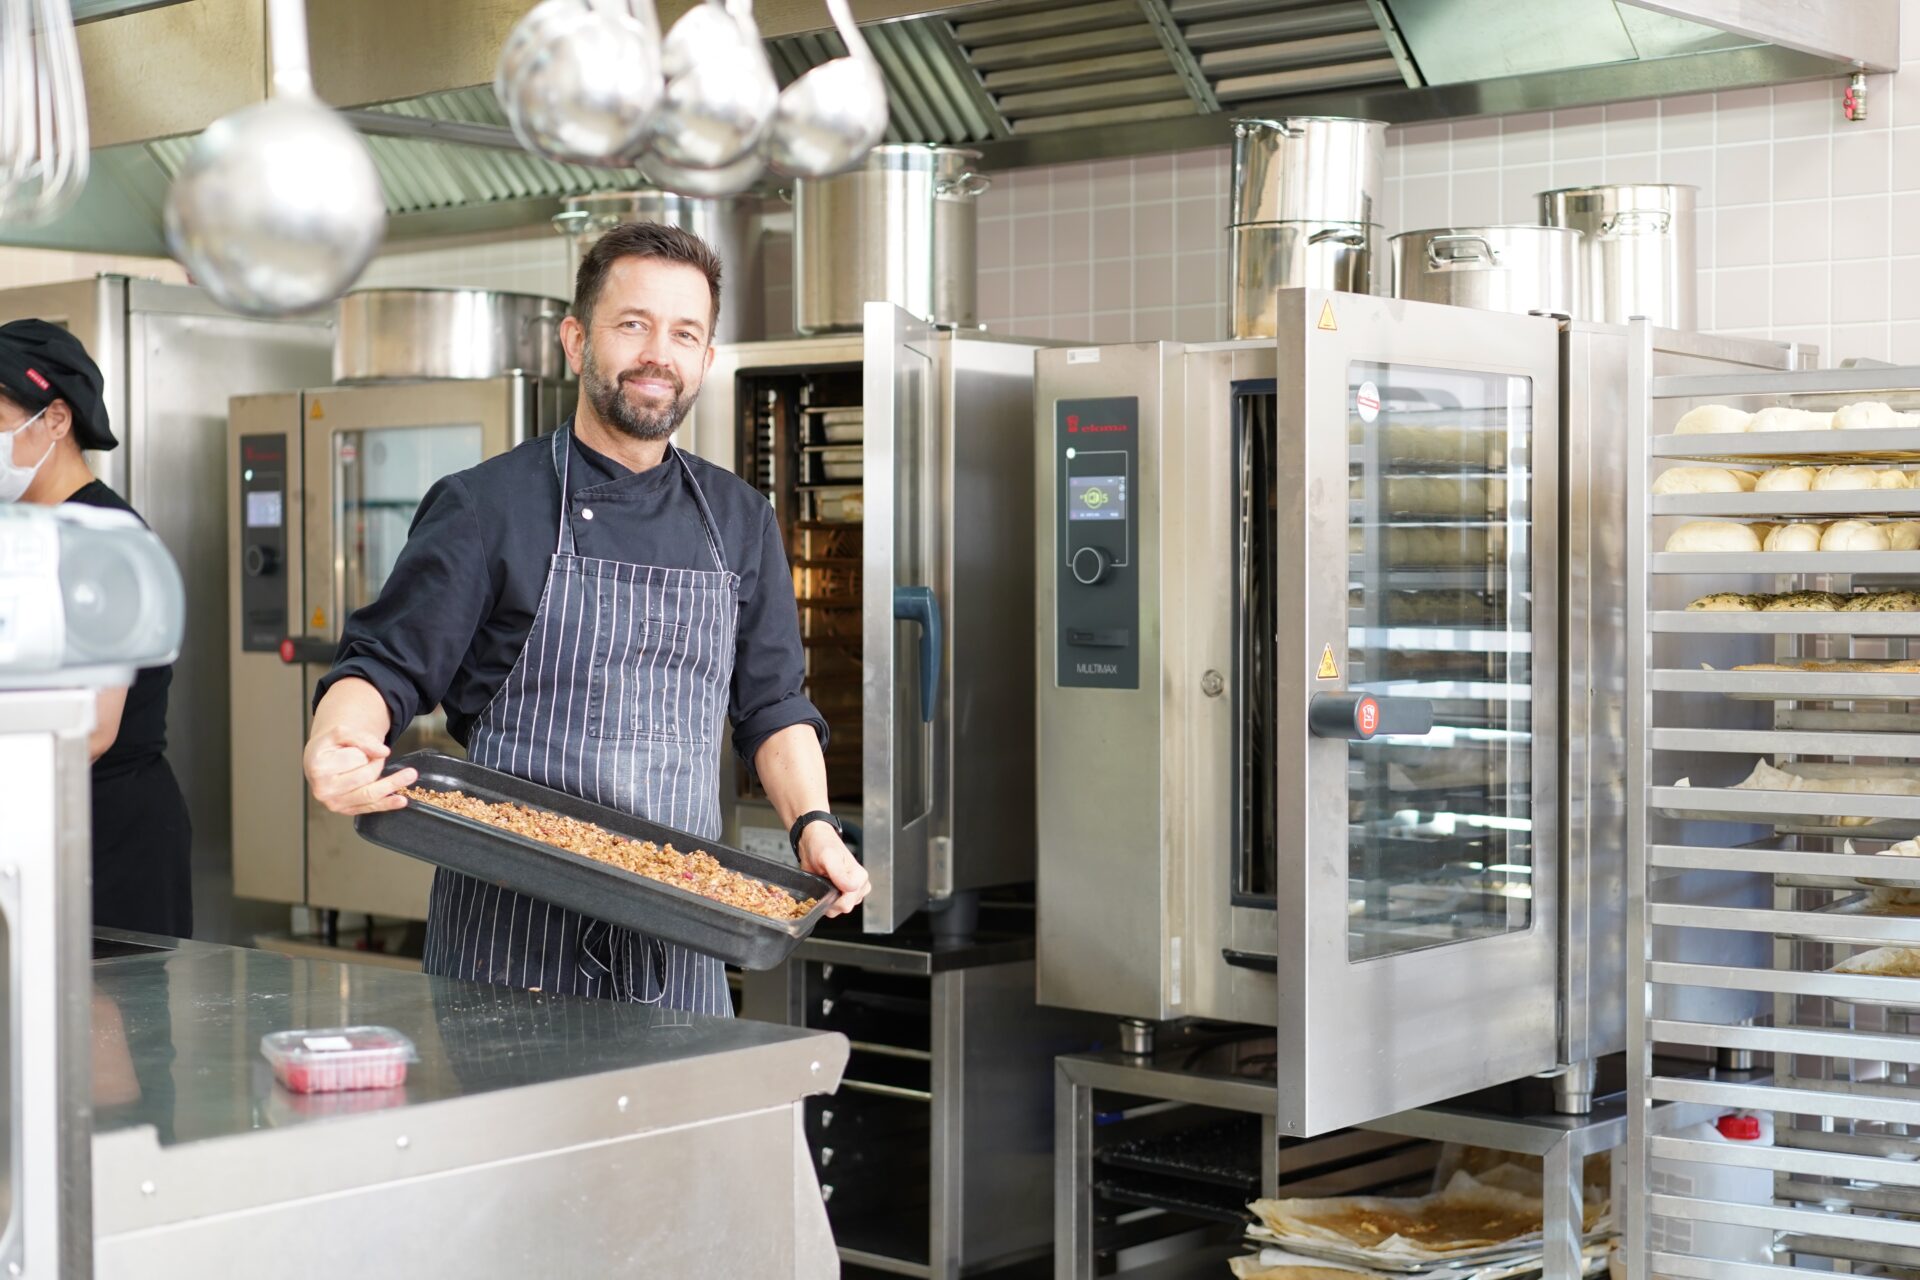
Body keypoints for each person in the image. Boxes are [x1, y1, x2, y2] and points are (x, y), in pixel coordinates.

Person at [303, 223, 869, 1014]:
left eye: (684, 334)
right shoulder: (485, 506)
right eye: (631, 324)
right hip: (507, 941)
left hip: (681, 940)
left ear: (705, 360)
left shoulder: (739, 519)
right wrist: (338, 740)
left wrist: (812, 822)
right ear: (576, 341)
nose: (656, 355)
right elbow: (384, 667)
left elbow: (774, 704)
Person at [1, 319, 193, 937]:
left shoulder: (103, 543)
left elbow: (90, 730)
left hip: (106, 832)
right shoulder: (22, 534)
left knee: (99, 1024)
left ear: (55, 420)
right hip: (33, 822)